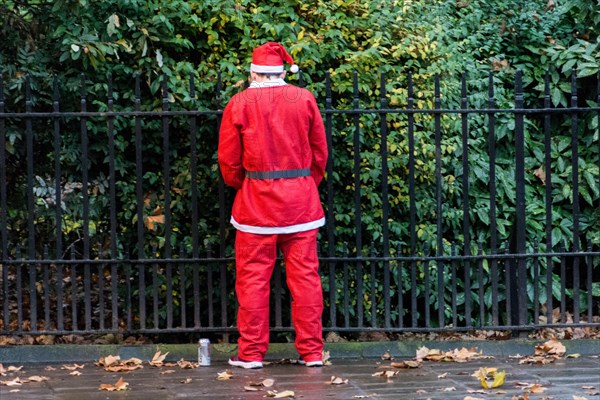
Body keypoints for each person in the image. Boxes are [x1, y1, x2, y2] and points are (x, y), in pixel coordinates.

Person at [218, 42, 328, 369]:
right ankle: (311, 352)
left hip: (256, 207)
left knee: (252, 279)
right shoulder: (305, 99)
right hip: (301, 205)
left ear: (253, 72)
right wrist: (305, 184)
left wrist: (246, 184)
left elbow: (229, 160)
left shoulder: (239, 103)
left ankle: (250, 353)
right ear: (283, 72)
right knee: (306, 279)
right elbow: (319, 153)